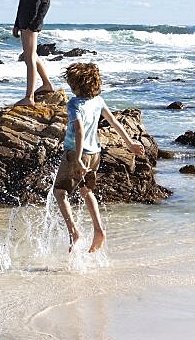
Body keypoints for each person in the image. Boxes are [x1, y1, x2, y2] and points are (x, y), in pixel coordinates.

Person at [54, 62, 146, 253]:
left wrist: (78, 158)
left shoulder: (73, 104)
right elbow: (113, 122)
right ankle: (98, 230)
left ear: (77, 85)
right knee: (86, 190)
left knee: (60, 192)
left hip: (76, 154)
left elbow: (78, 130)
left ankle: (74, 233)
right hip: (95, 153)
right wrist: (130, 144)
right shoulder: (98, 101)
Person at [12, 0, 53, 105]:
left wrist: (35, 23)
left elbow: (46, 2)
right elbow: (22, 2)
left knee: (29, 59)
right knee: (32, 56)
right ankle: (47, 84)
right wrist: (16, 23)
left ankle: (29, 97)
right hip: (22, 21)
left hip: (32, 22)